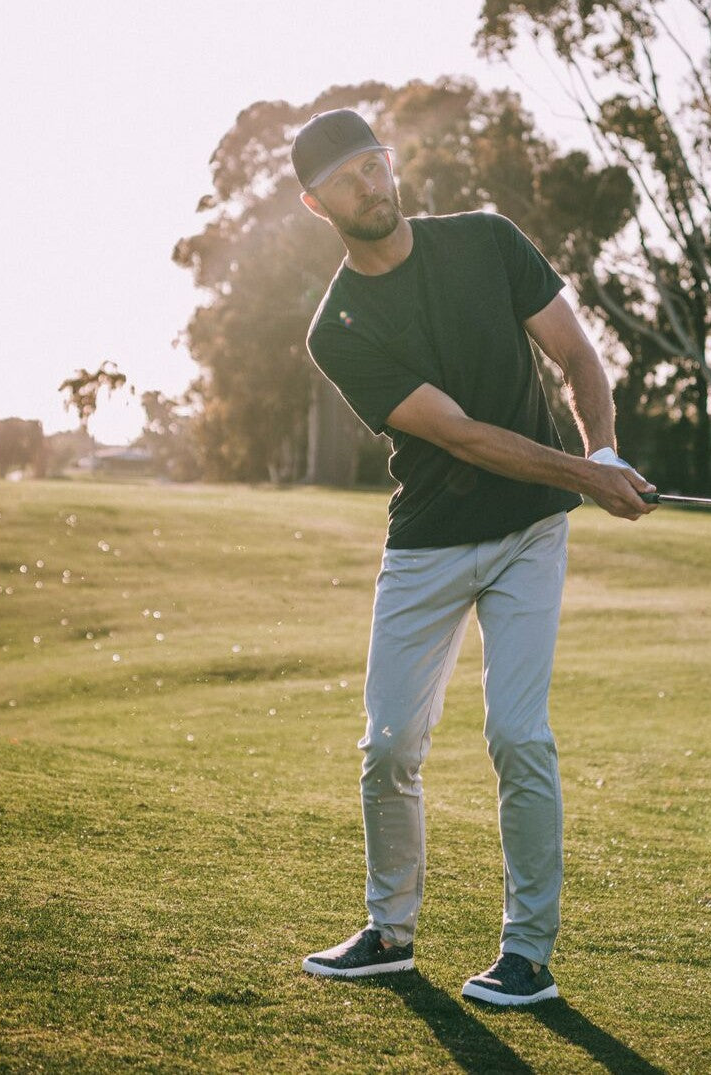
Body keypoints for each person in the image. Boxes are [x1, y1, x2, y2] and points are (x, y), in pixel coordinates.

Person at [292, 109, 656, 1006]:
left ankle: (526, 954)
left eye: (374, 163)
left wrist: (603, 451)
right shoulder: (336, 327)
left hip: (530, 531)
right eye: (345, 180)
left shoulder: (486, 241)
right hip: (427, 541)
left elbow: (575, 353)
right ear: (316, 205)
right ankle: (388, 933)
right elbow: (457, 433)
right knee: (388, 745)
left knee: (517, 733)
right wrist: (586, 475)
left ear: (390, 162)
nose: (369, 185)